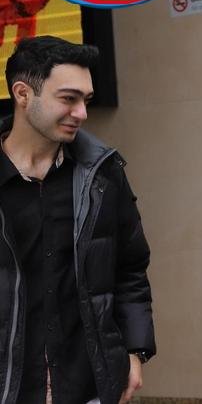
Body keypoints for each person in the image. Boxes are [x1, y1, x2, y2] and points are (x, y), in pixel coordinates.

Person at [0, 36, 155, 403]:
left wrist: (135, 351)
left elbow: (130, 267)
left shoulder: (103, 173)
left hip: (88, 387)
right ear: (23, 94)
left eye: (86, 99)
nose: (82, 113)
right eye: (68, 98)